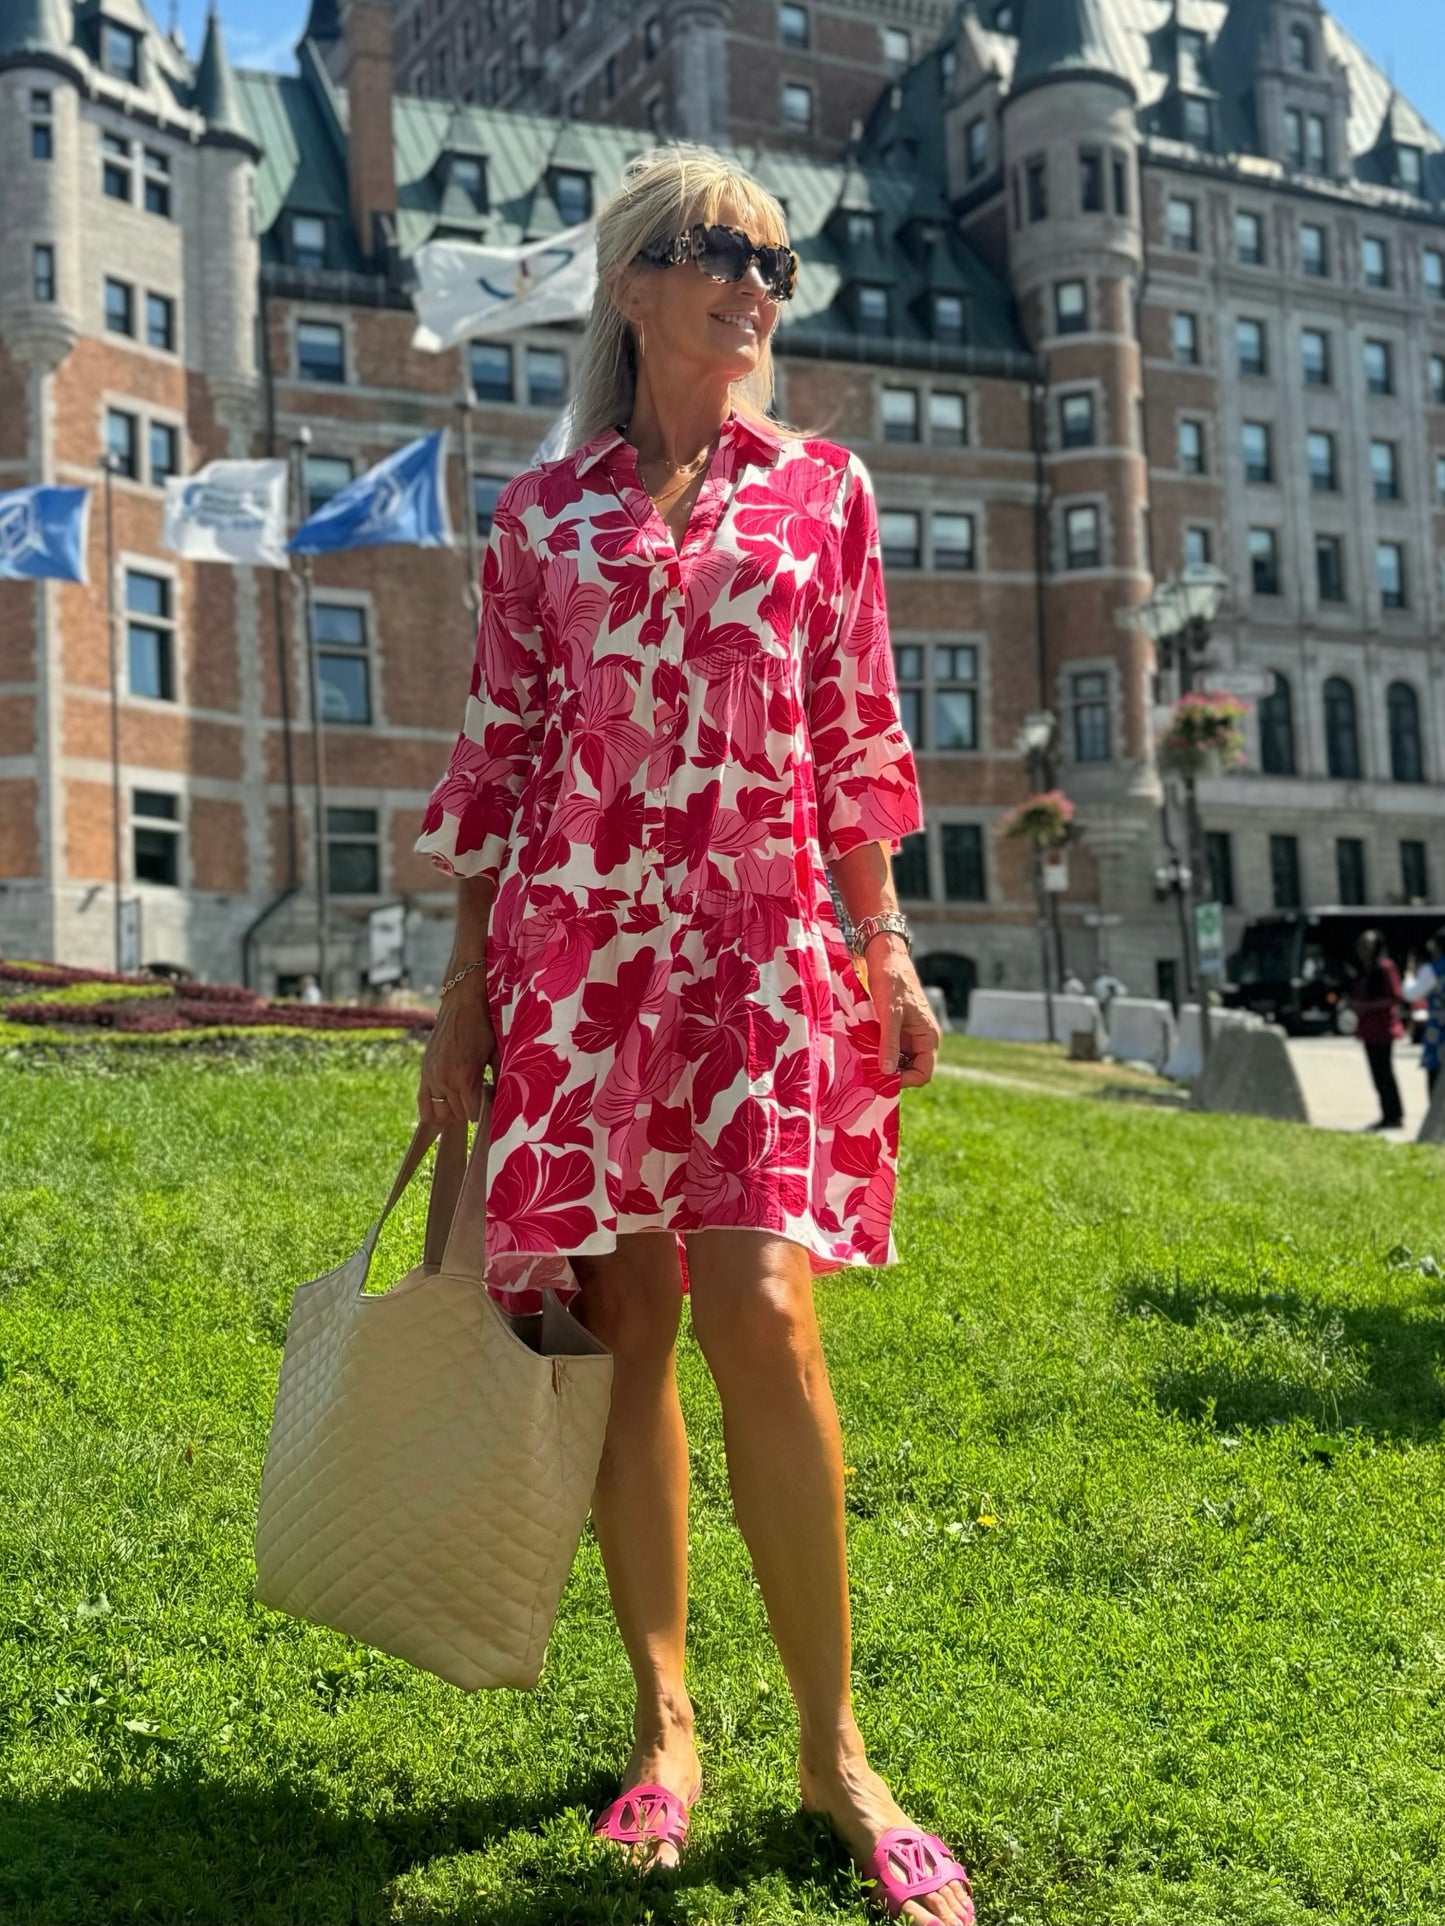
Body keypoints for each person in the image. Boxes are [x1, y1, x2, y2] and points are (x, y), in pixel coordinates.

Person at [412, 148, 969, 1925]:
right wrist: (460, 995)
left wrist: (885, 944)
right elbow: (499, 760)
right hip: (577, 959)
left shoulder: (823, 491)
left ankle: (834, 1749)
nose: (755, 284)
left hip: (760, 953)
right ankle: (665, 1722)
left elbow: (853, 732)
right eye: (721, 251)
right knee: (628, 1329)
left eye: (776, 263)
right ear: (634, 283)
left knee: (767, 1311)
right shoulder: (541, 517)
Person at [1350, 930, 1405, 1130]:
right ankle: (1387, 1113)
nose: (1363, 950)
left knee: (1384, 1073)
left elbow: (1395, 996)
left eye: (1367, 945)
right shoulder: (1365, 970)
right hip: (1368, 1030)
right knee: (1377, 1075)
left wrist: (1367, 1006)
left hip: (1382, 1028)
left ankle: (1394, 1115)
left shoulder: (1385, 967)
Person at [1403, 927, 1445, 1102]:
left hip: (1439, 1032)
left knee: (1436, 1078)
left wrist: (1409, 976)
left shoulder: (1432, 969)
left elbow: (1411, 994)